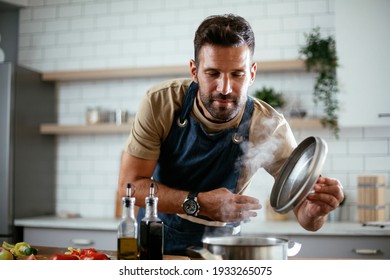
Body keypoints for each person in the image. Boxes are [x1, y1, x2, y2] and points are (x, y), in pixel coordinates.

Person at [118, 14, 344, 256]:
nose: (225, 88)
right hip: (156, 246)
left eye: (237, 74)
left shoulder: (267, 125)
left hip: (222, 253)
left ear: (252, 73)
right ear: (194, 71)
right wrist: (200, 202)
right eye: (213, 73)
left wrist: (314, 213)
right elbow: (129, 187)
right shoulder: (161, 102)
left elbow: (305, 215)